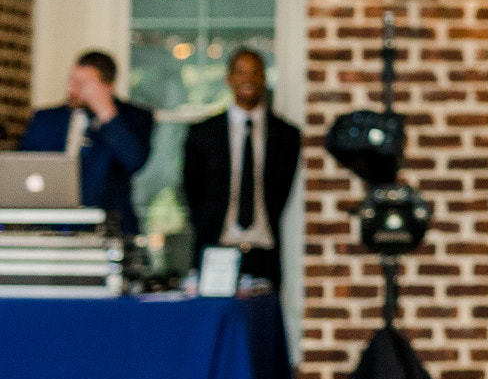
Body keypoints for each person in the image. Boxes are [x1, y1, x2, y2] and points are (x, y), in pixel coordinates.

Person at [182, 49, 302, 292]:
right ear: (229, 78)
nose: (248, 78)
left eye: (255, 72)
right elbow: (192, 191)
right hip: (217, 248)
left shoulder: (286, 135)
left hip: (264, 251)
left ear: (264, 78)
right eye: (240, 72)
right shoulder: (203, 134)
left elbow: (281, 193)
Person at [18, 49, 154, 236]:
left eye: (82, 84)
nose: (71, 89)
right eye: (71, 81)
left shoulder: (133, 118)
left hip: (107, 229)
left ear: (107, 86)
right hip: (50, 229)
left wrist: (107, 113)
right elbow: (23, 169)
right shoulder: (45, 119)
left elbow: (134, 161)